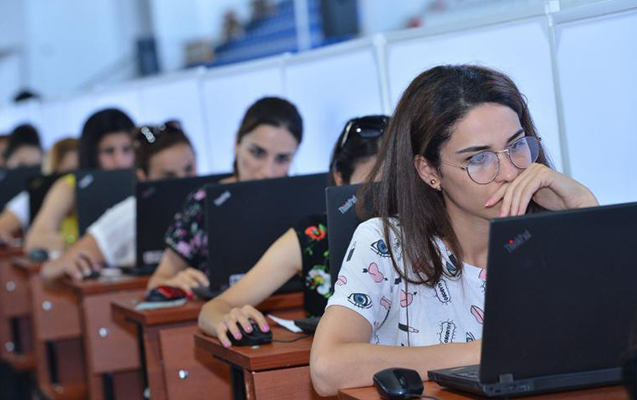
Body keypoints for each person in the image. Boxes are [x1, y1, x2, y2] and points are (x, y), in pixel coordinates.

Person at [309, 65, 599, 396]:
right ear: (429, 171)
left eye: (516, 145)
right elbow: (328, 369)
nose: (509, 172)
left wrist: (583, 208)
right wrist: (484, 353)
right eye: (479, 158)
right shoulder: (386, 243)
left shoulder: (553, 236)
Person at [198, 115, 388, 346]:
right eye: (373, 190)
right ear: (340, 178)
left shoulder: (426, 231)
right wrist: (228, 320)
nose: (387, 202)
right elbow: (214, 308)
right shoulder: (315, 236)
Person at [147, 97, 302, 293]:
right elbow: (157, 282)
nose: (267, 171)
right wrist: (176, 282)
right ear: (237, 143)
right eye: (257, 153)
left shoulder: (304, 205)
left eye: (282, 159)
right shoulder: (203, 203)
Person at [40, 122, 197, 282]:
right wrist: (73, 259)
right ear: (143, 177)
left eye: (189, 169)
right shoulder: (130, 214)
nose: (183, 182)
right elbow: (50, 270)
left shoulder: (206, 202)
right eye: (169, 176)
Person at [24, 108, 135, 253]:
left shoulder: (142, 180)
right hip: (83, 263)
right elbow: (35, 239)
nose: (119, 160)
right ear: (91, 153)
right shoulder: (69, 186)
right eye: (108, 151)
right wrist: (84, 246)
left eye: (127, 149)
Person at [0, 137, 79, 244]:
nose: (72, 180)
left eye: (80, 171)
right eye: (67, 173)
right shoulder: (34, 196)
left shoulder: (93, 195)